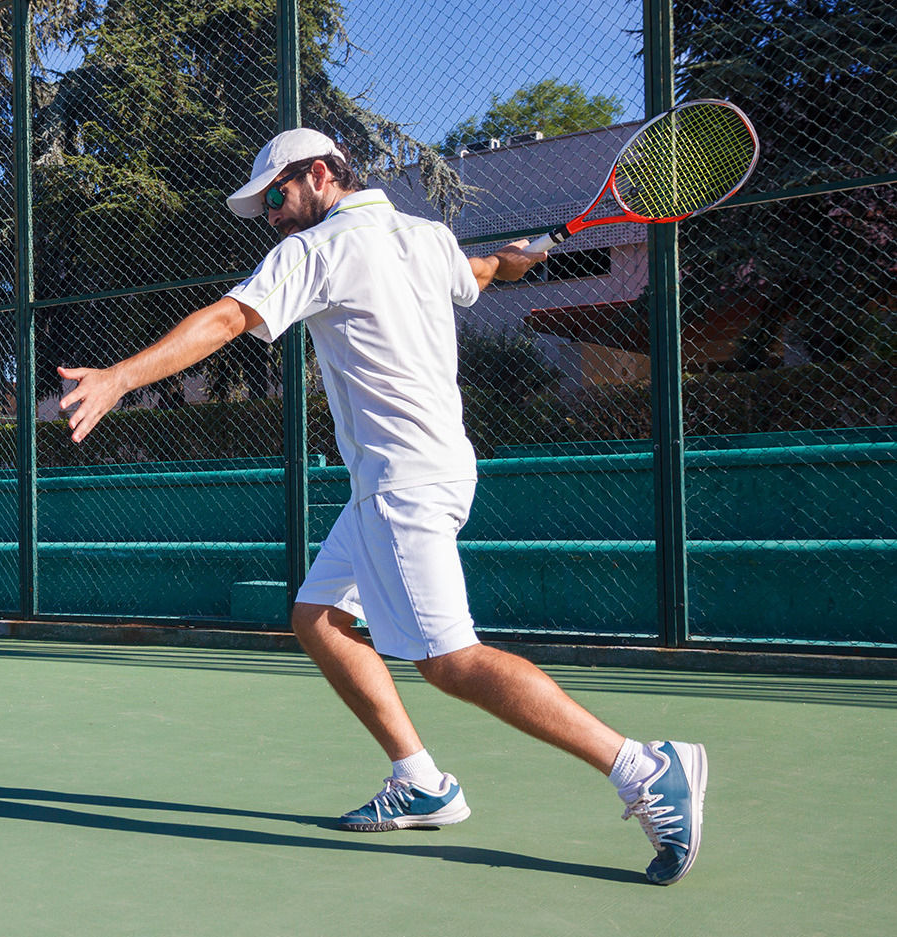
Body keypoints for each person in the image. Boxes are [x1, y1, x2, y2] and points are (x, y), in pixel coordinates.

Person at [56, 128, 706, 886]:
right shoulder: (427, 237)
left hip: (402, 483)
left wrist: (119, 379)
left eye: (276, 194)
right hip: (429, 471)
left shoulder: (314, 251)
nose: (270, 213)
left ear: (321, 173)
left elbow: (229, 319)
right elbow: (481, 268)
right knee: (319, 616)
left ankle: (642, 767)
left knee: (450, 660)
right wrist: (514, 260)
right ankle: (421, 778)